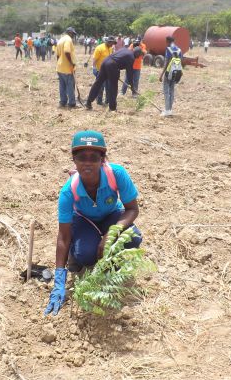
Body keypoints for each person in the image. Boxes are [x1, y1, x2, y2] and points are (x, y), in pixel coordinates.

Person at [45, 130, 142, 315]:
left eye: (94, 157)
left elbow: (132, 209)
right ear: (74, 159)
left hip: (112, 214)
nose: (87, 163)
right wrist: (59, 282)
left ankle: (113, 266)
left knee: (133, 238)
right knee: (85, 255)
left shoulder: (117, 174)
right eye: (82, 157)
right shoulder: (68, 192)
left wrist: (111, 233)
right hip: (84, 219)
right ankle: (78, 254)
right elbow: (63, 237)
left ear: (103, 159)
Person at [86, 45, 143, 112]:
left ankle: (88, 102)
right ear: (137, 53)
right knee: (113, 87)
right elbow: (129, 74)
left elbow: (118, 60)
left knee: (98, 83)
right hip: (112, 65)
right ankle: (112, 108)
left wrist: (116, 73)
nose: (139, 57)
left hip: (105, 62)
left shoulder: (125, 49)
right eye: (139, 55)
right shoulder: (131, 57)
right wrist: (132, 87)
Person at [160, 35, 182, 117]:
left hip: (168, 73)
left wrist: (161, 74)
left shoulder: (168, 49)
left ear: (168, 41)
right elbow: (180, 61)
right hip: (176, 73)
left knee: (166, 91)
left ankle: (166, 110)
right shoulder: (179, 50)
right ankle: (170, 110)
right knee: (172, 91)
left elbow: (166, 63)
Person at [56, 27, 77, 109]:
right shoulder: (68, 40)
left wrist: (59, 63)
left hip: (60, 67)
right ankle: (71, 103)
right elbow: (67, 52)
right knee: (70, 85)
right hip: (67, 68)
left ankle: (63, 102)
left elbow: (58, 55)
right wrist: (71, 63)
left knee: (62, 86)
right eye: (73, 34)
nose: (73, 36)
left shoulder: (61, 40)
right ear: (70, 33)